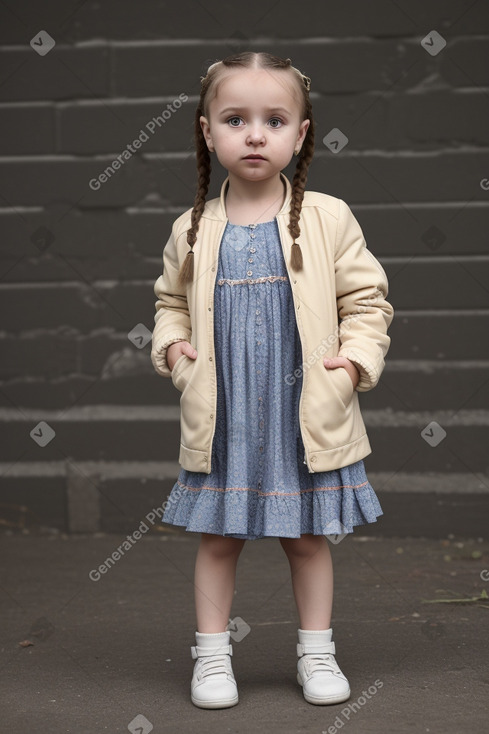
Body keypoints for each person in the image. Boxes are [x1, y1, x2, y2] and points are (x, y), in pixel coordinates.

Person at [150, 51, 394, 710]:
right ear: (207, 131)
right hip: (225, 409)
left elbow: (367, 301)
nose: (254, 134)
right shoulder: (193, 229)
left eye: (273, 119)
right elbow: (168, 303)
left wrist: (354, 362)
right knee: (218, 537)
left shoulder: (327, 217)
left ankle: (317, 654)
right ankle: (211, 658)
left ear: (300, 133)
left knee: (306, 537)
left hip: (300, 409)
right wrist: (174, 351)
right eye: (235, 119)